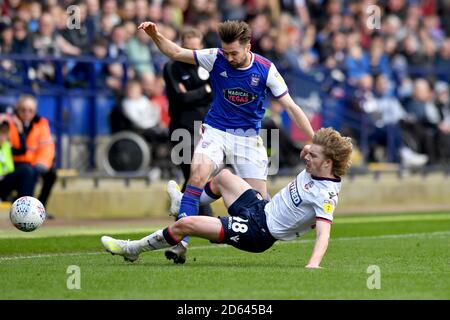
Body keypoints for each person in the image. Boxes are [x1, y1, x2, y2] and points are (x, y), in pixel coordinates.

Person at [138, 20, 314, 263]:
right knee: (197, 174)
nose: (229, 57)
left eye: (234, 53)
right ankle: (182, 242)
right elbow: (176, 52)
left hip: (248, 139)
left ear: (248, 47)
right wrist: (155, 35)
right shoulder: (215, 57)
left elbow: (291, 107)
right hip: (216, 130)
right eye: (226, 52)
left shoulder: (266, 69)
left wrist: (313, 140)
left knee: (261, 209)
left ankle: (183, 203)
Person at [101, 127, 352, 269]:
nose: (307, 157)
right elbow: (310, 147)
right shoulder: (318, 164)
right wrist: (311, 146)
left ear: (328, 163)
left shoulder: (325, 195)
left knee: (185, 225)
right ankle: (184, 204)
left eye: (314, 156)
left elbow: (324, 233)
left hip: (258, 232)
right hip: (261, 208)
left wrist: (313, 265)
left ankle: (132, 249)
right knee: (224, 177)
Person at [163, 26, 214, 217]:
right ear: (181, 46)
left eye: (196, 49)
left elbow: (214, 92)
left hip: (204, 128)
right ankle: (207, 220)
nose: (193, 53)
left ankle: (182, 217)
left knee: (197, 175)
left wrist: (195, 93)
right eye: (189, 48)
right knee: (192, 173)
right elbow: (180, 98)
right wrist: (205, 91)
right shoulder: (172, 67)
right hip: (181, 128)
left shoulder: (208, 65)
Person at [7, 95, 56, 213]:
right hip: (15, 163)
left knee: (51, 174)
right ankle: (24, 210)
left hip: (34, 163)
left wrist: (41, 164)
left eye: (30, 110)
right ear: (17, 109)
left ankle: (40, 209)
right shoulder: (8, 123)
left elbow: (47, 147)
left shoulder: (41, 123)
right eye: (23, 110)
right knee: (27, 171)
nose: (26, 113)